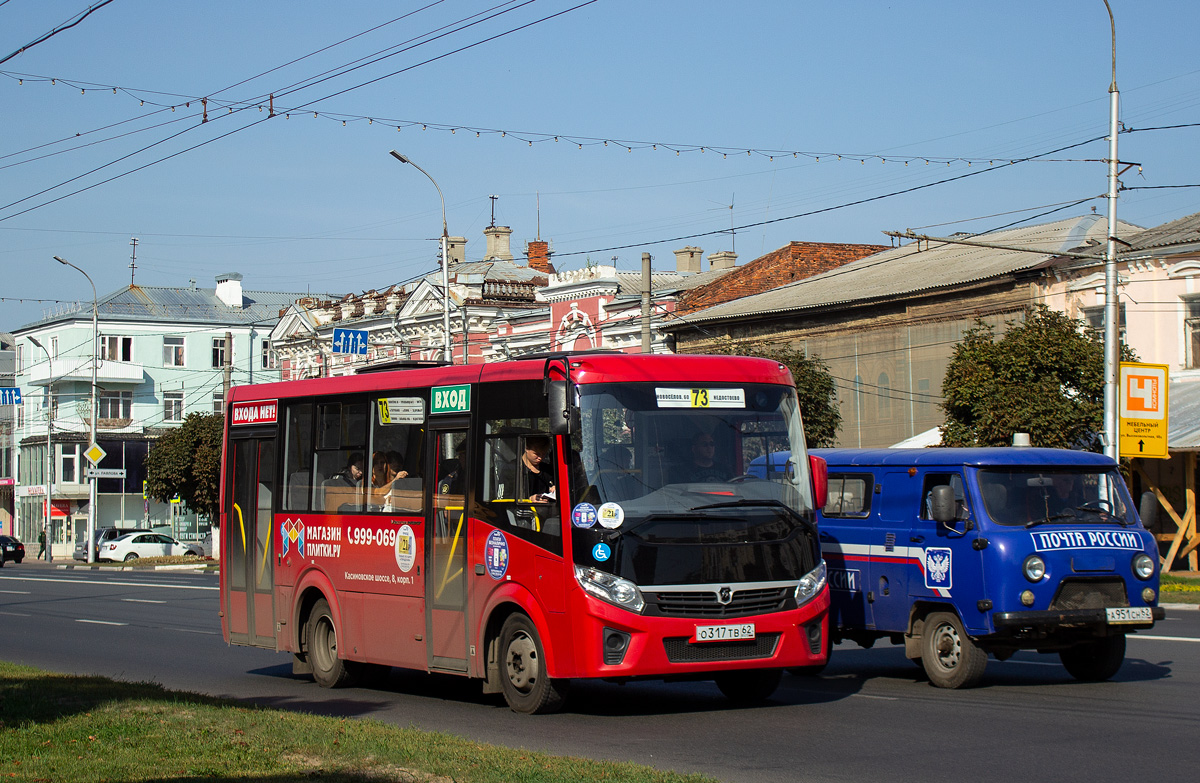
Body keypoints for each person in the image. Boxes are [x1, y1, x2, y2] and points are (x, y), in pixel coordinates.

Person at [523, 436, 556, 502]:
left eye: (543, 454)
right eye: (537, 454)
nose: (540, 458)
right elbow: (506, 498)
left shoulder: (547, 470)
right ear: (526, 448)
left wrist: (555, 488)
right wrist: (529, 500)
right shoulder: (512, 469)